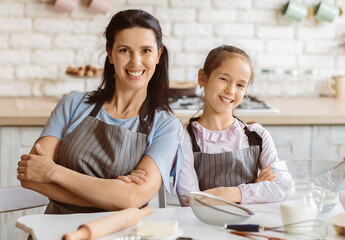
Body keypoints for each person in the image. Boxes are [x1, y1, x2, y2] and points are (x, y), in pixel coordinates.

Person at [16, 9, 184, 214]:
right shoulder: (73, 104)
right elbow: (30, 175)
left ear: (158, 54)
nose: (135, 62)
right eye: (124, 50)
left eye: (146, 51)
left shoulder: (166, 127)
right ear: (110, 53)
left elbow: (133, 196)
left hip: (121, 234)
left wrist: (53, 172)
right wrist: (115, 196)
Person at [176, 45, 284, 206]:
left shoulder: (257, 135)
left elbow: (283, 187)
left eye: (240, 85)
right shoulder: (184, 138)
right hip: (203, 229)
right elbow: (190, 201)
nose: (230, 90)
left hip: (250, 226)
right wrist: (255, 189)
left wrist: (230, 193)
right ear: (202, 78)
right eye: (224, 79)